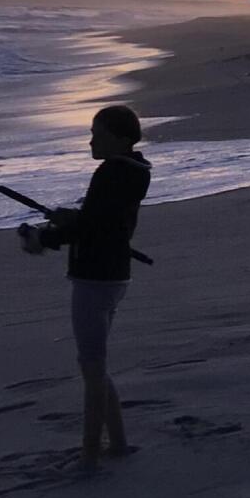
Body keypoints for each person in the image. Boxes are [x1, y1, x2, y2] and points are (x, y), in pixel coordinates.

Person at [44, 103, 151, 470]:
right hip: (114, 275)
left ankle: (90, 455)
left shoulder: (110, 174)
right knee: (96, 365)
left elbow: (92, 227)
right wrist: (69, 221)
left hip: (94, 278)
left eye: (98, 134)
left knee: (92, 368)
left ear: (120, 139)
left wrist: (46, 237)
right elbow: (101, 220)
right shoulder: (134, 171)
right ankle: (118, 443)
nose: (91, 141)